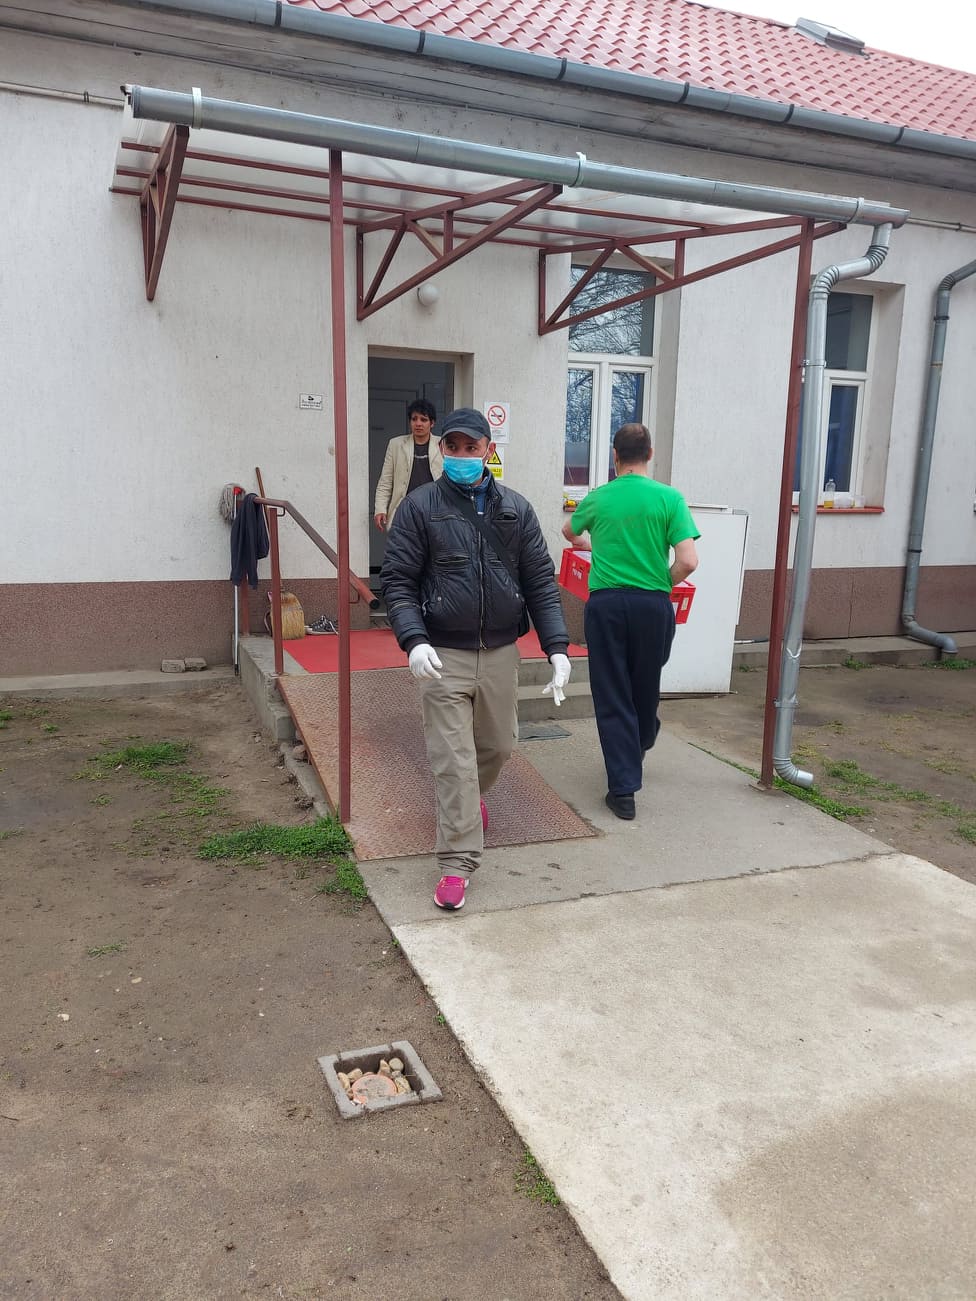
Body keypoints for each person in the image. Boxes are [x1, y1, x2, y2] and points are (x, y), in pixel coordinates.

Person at [381, 407, 572, 912]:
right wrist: (414, 639)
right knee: (453, 760)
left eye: (473, 447)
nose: (463, 455)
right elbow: (398, 580)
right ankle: (456, 863)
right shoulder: (419, 507)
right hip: (443, 653)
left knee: (498, 746)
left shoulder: (517, 509)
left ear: (489, 450)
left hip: (501, 651)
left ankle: (468, 803)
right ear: (442, 449)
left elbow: (540, 582)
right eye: (454, 447)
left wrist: (556, 647)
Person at [562, 422, 699, 821]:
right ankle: (641, 738)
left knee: (612, 692)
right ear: (650, 454)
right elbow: (688, 561)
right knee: (644, 684)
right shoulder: (669, 498)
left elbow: (569, 531)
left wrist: (590, 542)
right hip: (652, 605)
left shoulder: (599, 497)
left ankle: (623, 792)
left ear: (615, 456)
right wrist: (661, 582)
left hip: (606, 605)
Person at [373, 398, 443, 532]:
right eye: (414, 419)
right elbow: (385, 481)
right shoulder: (396, 444)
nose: (418, 424)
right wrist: (380, 509)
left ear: (432, 423)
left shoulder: (443, 445)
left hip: (434, 513)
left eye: (423, 420)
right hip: (404, 512)